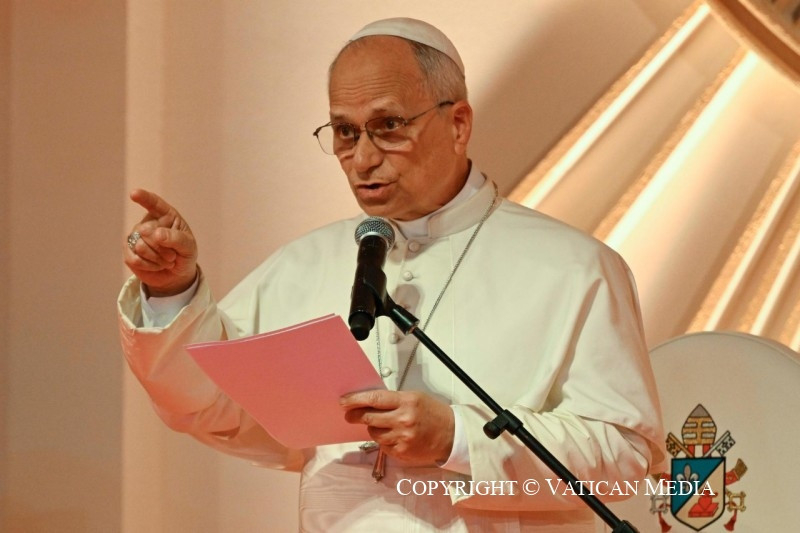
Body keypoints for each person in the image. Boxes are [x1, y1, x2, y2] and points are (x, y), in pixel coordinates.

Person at [119, 17, 665, 532]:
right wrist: (172, 291)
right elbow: (210, 405)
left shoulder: (574, 267)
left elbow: (626, 459)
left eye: (388, 126)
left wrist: (458, 439)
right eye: (345, 132)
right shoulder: (304, 264)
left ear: (458, 124)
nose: (362, 159)